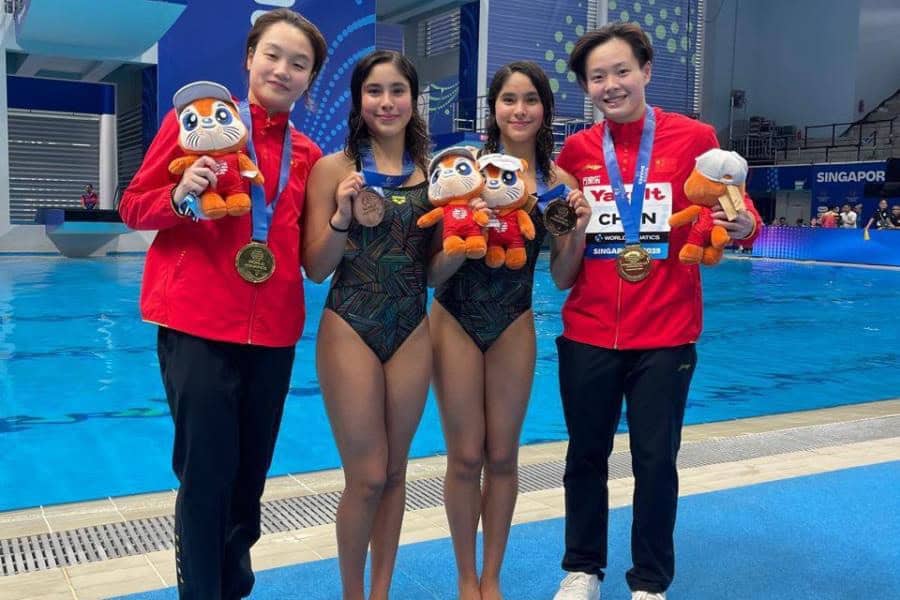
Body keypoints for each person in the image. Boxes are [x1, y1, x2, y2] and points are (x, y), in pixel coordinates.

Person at [118, 9, 327, 598]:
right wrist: (181, 196)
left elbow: (306, 246)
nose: (283, 70)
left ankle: (232, 587)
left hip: (274, 334)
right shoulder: (194, 125)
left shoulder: (307, 155)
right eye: (273, 55)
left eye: (299, 63)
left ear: (309, 78)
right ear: (249, 58)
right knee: (206, 478)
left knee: (248, 484)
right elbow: (134, 206)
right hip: (198, 324)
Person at [550, 23, 761, 600]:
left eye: (622, 71)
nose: (611, 85)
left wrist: (743, 227)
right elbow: (564, 241)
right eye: (598, 77)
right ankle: (582, 569)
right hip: (589, 330)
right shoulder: (575, 152)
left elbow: (736, 216)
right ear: (586, 88)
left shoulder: (695, 137)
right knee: (584, 456)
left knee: (655, 462)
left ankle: (649, 582)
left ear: (646, 70)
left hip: (666, 336)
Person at [430, 61, 586, 600]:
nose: (519, 110)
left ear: (545, 110)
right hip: (453, 318)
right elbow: (433, 274)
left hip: (515, 321)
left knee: (502, 457)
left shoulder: (559, 183)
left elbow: (563, 278)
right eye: (508, 100)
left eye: (531, 100)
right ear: (492, 108)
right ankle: (465, 577)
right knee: (465, 457)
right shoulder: (463, 169)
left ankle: (491, 576)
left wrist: (579, 231)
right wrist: (462, 226)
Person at [302, 50, 455, 600]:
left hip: (411, 325)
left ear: (415, 99)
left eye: (397, 91)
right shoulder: (331, 168)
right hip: (351, 322)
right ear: (358, 99)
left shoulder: (435, 173)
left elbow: (433, 272)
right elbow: (316, 268)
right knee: (366, 477)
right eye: (374, 91)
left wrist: (463, 242)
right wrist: (342, 217)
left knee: (395, 473)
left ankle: (382, 592)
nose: (386, 102)